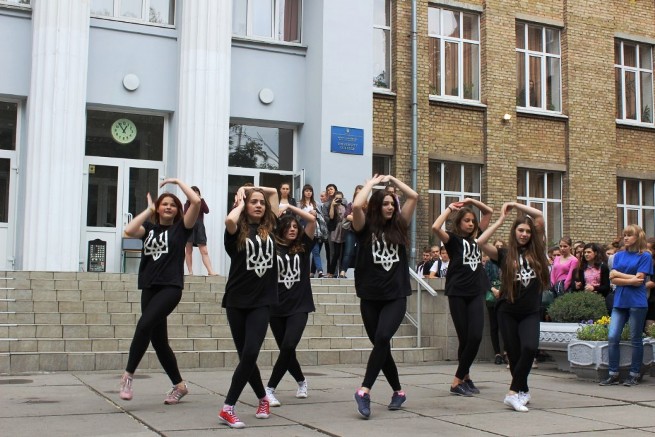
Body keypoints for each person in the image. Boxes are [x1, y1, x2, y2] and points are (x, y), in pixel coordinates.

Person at [119, 178, 201, 405]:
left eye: (172, 205)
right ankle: (180, 386)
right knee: (159, 342)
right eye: (164, 204)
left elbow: (195, 202)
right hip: (149, 287)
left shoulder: (181, 229)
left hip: (170, 287)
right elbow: (128, 230)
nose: (168, 207)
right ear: (158, 207)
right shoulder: (149, 229)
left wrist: (176, 181)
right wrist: (148, 210)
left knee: (144, 324)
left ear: (177, 210)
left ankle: (128, 376)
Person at [352, 175, 418, 419]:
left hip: (395, 295)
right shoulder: (364, 227)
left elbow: (414, 196)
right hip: (370, 295)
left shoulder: (399, 225)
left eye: (393, 203)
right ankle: (398, 392)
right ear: (376, 206)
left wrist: (393, 181)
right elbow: (357, 206)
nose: (390, 207)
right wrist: (371, 184)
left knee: (382, 338)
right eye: (386, 203)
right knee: (381, 347)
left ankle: (364, 390)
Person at [477, 202, 550, 412]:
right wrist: (501, 220)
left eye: (528, 231)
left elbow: (539, 216)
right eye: (520, 230)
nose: (524, 234)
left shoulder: (537, 250)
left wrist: (515, 204)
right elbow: (480, 241)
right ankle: (522, 391)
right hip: (507, 310)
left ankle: (512, 393)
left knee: (529, 348)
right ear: (514, 232)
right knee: (515, 355)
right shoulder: (504, 254)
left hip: (530, 311)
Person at [218, 185, 279, 429]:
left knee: (251, 352)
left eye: (261, 203)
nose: (259, 205)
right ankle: (263, 399)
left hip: (262, 300)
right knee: (246, 356)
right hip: (236, 300)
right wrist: (242, 201)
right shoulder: (236, 231)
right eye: (254, 202)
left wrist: (251, 188)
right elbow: (228, 220)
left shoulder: (271, 228)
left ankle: (228, 407)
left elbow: (273, 193)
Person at [431, 198, 493, 397]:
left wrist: (472, 201)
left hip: (475, 292)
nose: (471, 224)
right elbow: (435, 227)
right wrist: (449, 209)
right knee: (464, 338)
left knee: (475, 336)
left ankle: (458, 379)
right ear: (459, 223)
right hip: (457, 292)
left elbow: (489, 212)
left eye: (473, 221)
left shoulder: (478, 238)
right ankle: (464, 378)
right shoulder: (453, 240)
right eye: (466, 220)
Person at [264, 204, 316, 406]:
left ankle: (269, 389)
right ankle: (302, 381)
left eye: (295, 226)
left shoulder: (303, 246)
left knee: (288, 346)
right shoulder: (272, 247)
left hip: (299, 306)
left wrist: (290, 207)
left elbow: (311, 220)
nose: (293, 229)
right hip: (276, 306)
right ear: (281, 228)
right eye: (289, 226)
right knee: (287, 351)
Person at [599, 225, 653, 387]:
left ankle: (634, 374)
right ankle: (613, 374)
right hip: (620, 301)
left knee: (635, 338)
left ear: (638, 237)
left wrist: (619, 275)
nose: (626, 238)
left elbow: (640, 280)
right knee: (612, 336)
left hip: (637, 301)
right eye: (625, 235)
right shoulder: (619, 255)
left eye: (630, 235)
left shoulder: (645, 256)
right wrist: (630, 279)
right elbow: (613, 279)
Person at [184, 186, 217, 276]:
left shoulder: (201, 202)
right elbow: (185, 215)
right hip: (189, 227)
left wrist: (201, 200)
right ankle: (190, 272)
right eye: (192, 193)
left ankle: (210, 271)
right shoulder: (187, 204)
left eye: (196, 193)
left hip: (199, 227)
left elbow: (207, 210)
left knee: (204, 250)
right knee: (188, 250)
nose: (194, 195)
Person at [485, 239, 506, 366]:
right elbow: (485, 278)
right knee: (494, 326)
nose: (498, 248)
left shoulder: (507, 261)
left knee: (506, 325)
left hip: (505, 295)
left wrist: (502, 291)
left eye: (501, 246)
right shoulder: (489, 263)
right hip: (492, 295)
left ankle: (507, 352)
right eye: (496, 246)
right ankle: (497, 353)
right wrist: (493, 290)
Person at [299, 184, 325, 278]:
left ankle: (320, 271)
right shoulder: (299, 204)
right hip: (303, 228)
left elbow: (321, 216)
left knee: (316, 251)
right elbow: (297, 217)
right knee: (304, 251)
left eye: (310, 191)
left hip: (315, 229)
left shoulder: (316, 203)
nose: (308, 193)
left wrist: (315, 214)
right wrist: (306, 214)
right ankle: (303, 271)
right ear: (303, 192)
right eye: (306, 191)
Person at [340, 185, 364, 278]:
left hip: (362, 232)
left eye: (361, 193)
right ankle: (343, 271)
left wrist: (354, 216)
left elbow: (368, 218)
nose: (359, 195)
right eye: (357, 193)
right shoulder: (351, 204)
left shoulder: (367, 205)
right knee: (348, 251)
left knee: (360, 252)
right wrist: (358, 218)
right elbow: (347, 216)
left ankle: (358, 273)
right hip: (351, 231)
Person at [327, 190, 347, 277]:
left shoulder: (345, 207)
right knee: (336, 253)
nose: (338, 200)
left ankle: (342, 273)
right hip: (336, 230)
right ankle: (331, 272)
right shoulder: (332, 206)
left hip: (344, 229)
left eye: (340, 198)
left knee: (344, 253)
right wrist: (332, 205)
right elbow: (331, 217)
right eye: (336, 198)